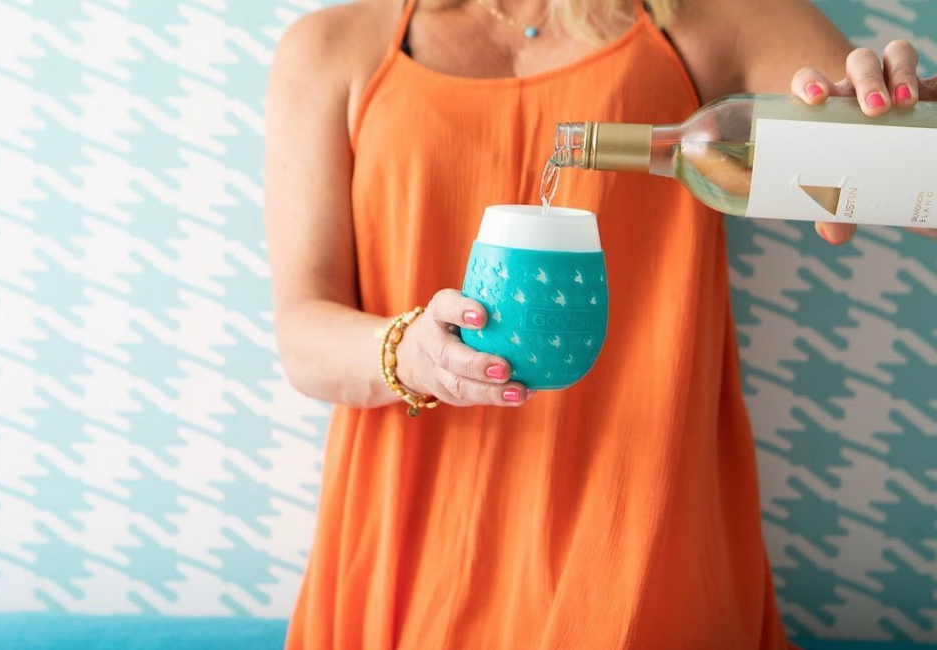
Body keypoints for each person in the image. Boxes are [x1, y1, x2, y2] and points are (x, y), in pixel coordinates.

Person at [264, 0, 935, 647]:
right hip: (405, 553)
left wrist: (903, 125)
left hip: (640, 542)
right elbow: (302, 339)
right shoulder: (333, 47)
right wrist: (410, 353)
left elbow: (902, 174)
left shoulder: (717, 18)